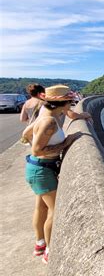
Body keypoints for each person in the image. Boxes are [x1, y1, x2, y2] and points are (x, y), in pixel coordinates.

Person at [25, 85, 82, 264]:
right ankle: (49, 251)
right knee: (54, 211)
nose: (71, 105)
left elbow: (25, 134)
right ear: (62, 103)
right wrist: (66, 143)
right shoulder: (49, 121)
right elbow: (37, 150)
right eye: (70, 102)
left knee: (41, 207)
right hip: (42, 169)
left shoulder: (48, 116)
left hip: (38, 168)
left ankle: (39, 244)